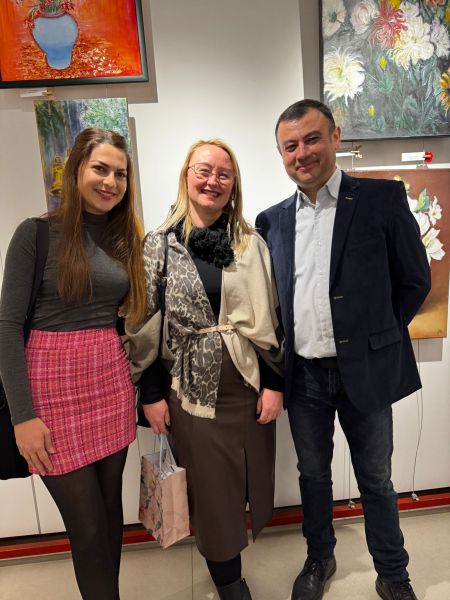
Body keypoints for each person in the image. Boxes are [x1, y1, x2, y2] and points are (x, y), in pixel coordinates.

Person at [255, 99, 431, 600]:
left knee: (376, 478)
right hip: (305, 377)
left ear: (335, 136)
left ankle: (393, 573)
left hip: (366, 372)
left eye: (312, 139)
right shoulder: (272, 222)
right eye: (290, 146)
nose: (302, 153)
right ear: (281, 154)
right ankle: (320, 557)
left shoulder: (381, 199)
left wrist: (379, 337)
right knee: (312, 475)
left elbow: (414, 280)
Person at [126, 139, 284, 600]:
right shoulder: (160, 244)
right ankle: (230, 583)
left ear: (234, 184)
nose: (213, 181)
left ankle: (235, 565)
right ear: (186, 176)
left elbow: (272, 319)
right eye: (204, 170)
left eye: (223, 174)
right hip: (192, 395)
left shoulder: (250, 243)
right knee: (213, 494)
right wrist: (150, 394)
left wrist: (275, 385)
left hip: (248, 387)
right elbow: (144, 323)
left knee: (247, 483)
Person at [0, 128, 147, 600]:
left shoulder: (124, 237)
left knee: (109, 514)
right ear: (76, 169)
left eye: (120, 174)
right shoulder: (36, 233)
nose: (111, 182)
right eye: (100, 169)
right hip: (50, 392)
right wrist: (23, 417)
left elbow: (123, 309)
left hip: (109, 383)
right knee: (86, 527)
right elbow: (6, 327)